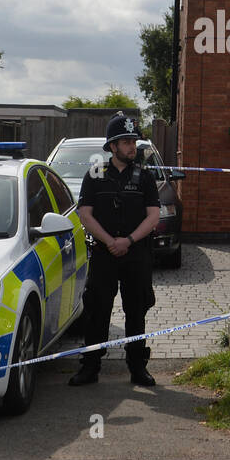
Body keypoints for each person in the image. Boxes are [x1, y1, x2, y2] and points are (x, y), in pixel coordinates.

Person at [69, 112, 162, 387]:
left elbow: (153, 216)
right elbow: (84, 214)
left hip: (136, 254)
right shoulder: (95, 175)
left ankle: (137, 367)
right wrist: (110, 242)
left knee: (136, 310)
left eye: (134, 141)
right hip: (103, 253)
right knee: (97, 310)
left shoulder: (144, 177)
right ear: (112, 146)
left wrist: (128, 241)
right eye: (126, 142)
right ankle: (90, 367)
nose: (132, 147)